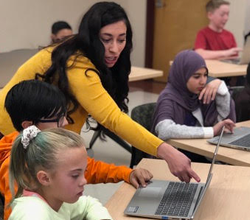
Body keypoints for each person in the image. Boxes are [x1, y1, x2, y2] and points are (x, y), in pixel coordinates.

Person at [0, 2, 200, 183]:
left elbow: (85, 165)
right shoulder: (77, 62)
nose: (115, 49)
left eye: (121, 39)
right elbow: (113, 118)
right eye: (106, 39)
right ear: (91, 37)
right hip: (8, 131)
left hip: (41, 137)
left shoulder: (89, 55)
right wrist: (166, 151)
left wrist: (125, 173)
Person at [0, 79, 152, 220]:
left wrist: (127, 173)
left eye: (65, 115)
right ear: (29, 126)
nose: (65, 122)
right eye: (58, 118)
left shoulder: (48, 150)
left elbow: (89, 168)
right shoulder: (16, 166)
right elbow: (13, 214)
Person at [9, 126, 112, 220]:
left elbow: (88, 204)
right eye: (75, 175)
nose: (84, 181)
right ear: (45, 178)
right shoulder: (32, 214)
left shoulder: (56, 197)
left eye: (84, 172)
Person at [152, 50, 236, 144]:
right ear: (182, 75)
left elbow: (222, 121)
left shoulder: (197, 95)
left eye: (205, 75)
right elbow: (164, 129)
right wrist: (210, 131)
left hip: (198, 152)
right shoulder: (168, 98)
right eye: (196, 77)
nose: (203, 81)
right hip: (174, 156)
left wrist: (222, 89)